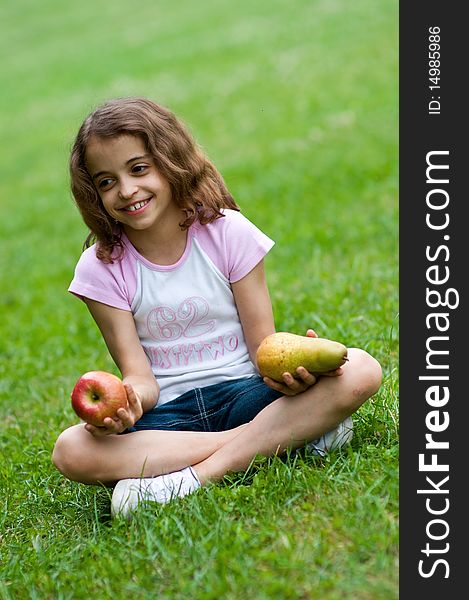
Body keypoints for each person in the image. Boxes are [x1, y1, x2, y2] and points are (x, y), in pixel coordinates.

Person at [52, 97, 382, 518]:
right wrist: (130, 402)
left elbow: (264, 348)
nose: (127, 190)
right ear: (93, 193)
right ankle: (283, 438)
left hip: (248, 394)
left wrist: (291, 375)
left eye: (138, 169)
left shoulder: (227, 232)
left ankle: (190, 478)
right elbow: (140, 377)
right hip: (171, 419)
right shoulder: (101, 268)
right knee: (71, 450)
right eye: (106, 181)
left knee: (361, 370)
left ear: (170, 161)